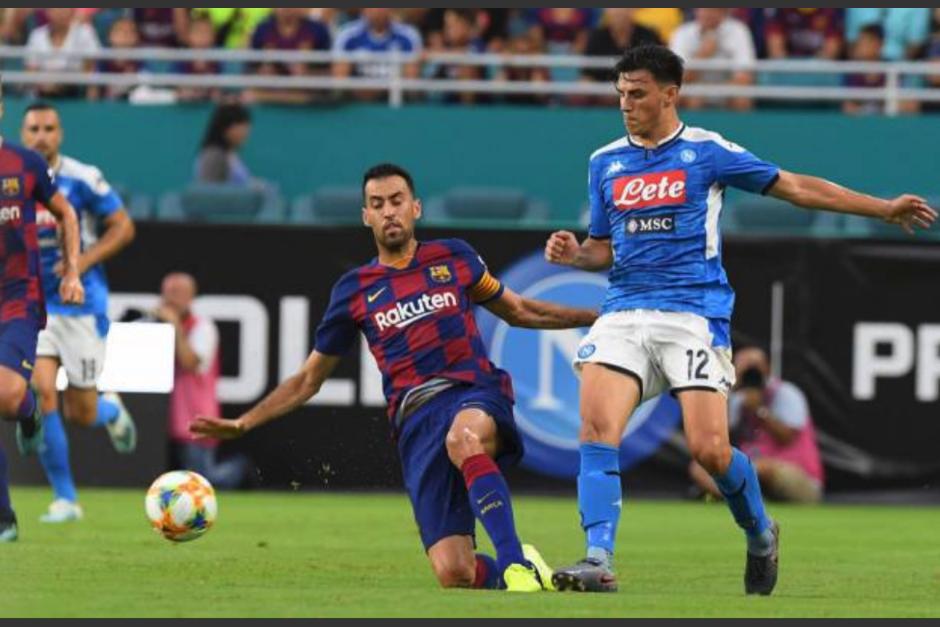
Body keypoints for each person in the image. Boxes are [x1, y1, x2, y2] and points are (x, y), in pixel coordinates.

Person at [543, 45, 936, 594]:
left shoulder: (708, 152)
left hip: (693, 315)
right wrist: (574, 254)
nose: (626, 104)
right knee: (595, 429)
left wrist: (883, 207)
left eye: (637, 93)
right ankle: (597, 557)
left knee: (710, 451)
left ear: (669, 94)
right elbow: (601, 249)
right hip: (625, 312)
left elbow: (796, 187)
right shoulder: (604, 161)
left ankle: (759, 532)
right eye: (620, 94)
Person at [192, 163, 599, 591]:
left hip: (472, 391)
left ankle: (514, 561)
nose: (389, 212)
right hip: (416, 421)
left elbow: (520, 310)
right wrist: (244, 422)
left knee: (464, 439)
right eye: (377, 204)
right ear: (366, 215)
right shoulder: (355, 289)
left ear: (416, 207)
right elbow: (309, 379)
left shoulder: (453, 256)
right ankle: (527, 570)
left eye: (397, 201)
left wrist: (596, 317)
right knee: (454, 572)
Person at [20, 102, 138, 524]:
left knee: (81, 411)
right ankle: (65, 499)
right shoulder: (13, 177)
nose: (41, 136)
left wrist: (80, 263)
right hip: (32, 304)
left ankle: (110, 411)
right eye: (33, 128)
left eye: (49, 128)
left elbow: (124, 226)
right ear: (22, 131)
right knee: (43, 393)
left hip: (80, 304)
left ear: (61, 134)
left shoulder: (82, 178)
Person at [0, 83, 85, 541]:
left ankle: (29, 409)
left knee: (9, 398)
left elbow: (67, 214)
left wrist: (72, 272)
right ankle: (3, 518)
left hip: (16, 298)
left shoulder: (23, 164)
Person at [689, 347, 824, 504]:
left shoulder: (786, 393)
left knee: (761, 468)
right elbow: (717, 437)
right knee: (700, 467)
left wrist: (759, 411)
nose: (750, 374)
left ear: (767, 369)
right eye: (744, 369)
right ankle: (739, 499)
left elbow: (786, 437)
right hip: (753, 471)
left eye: (754, 368)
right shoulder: (735, 399)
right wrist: (732, 389)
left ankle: (735, 496)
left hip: (798, 477)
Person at [157, 273, 250, 490]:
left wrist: (176, 328)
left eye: (176, 293)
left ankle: (240, 468)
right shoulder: (159, 326)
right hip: (164, 418)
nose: (170, 299)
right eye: (167, 293)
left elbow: (190, 362)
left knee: (205, 479)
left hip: (195, 416)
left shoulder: (202, 328)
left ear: (190, 297)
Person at [669, 8, 755, 111]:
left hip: (727, 89)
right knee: (679, 97)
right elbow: (678, 79)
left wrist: (714, 91)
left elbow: (744, 77)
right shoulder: (682, 33)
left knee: (742, 99)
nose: (708, 13)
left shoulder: (739, 30)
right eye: (704, 9)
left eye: (714, 9)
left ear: (724, 12)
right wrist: (702, 55)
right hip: (694, 88)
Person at [24, 7, 101, 99]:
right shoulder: (37, 35)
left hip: (76, 91)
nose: (61, 13)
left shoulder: (85, 32)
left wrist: (62, 81)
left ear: (72, 11)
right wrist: (45, 84)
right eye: (56, 9)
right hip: (43, 91)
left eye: (65, 9)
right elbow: (31, 70)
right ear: (48, 12)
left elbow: (90, 69)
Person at [194, 104, 256, 186]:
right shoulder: (213, 155)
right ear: (226, 128)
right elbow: (208, 194)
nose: (246, 132)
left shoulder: (230, 155)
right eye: (242, 126)